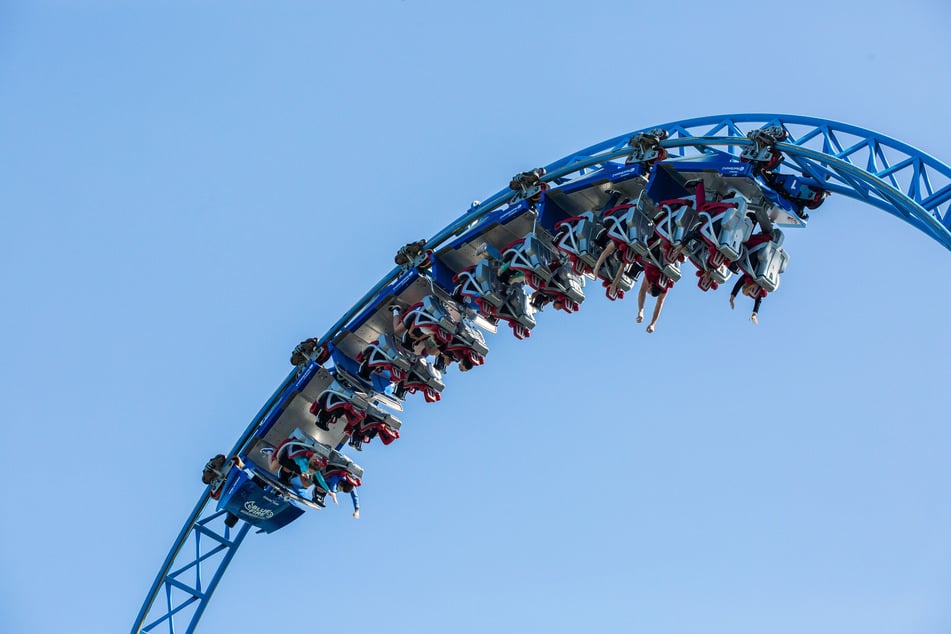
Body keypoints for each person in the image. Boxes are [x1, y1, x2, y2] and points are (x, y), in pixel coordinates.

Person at [636, 263, 670, 334]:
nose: (647, 291)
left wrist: (653, 324)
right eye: (648, 291)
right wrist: (640, 311)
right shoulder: (650, 276)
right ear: (650, 285)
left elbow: (659, 303)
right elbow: (642, 291)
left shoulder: (664, 288)